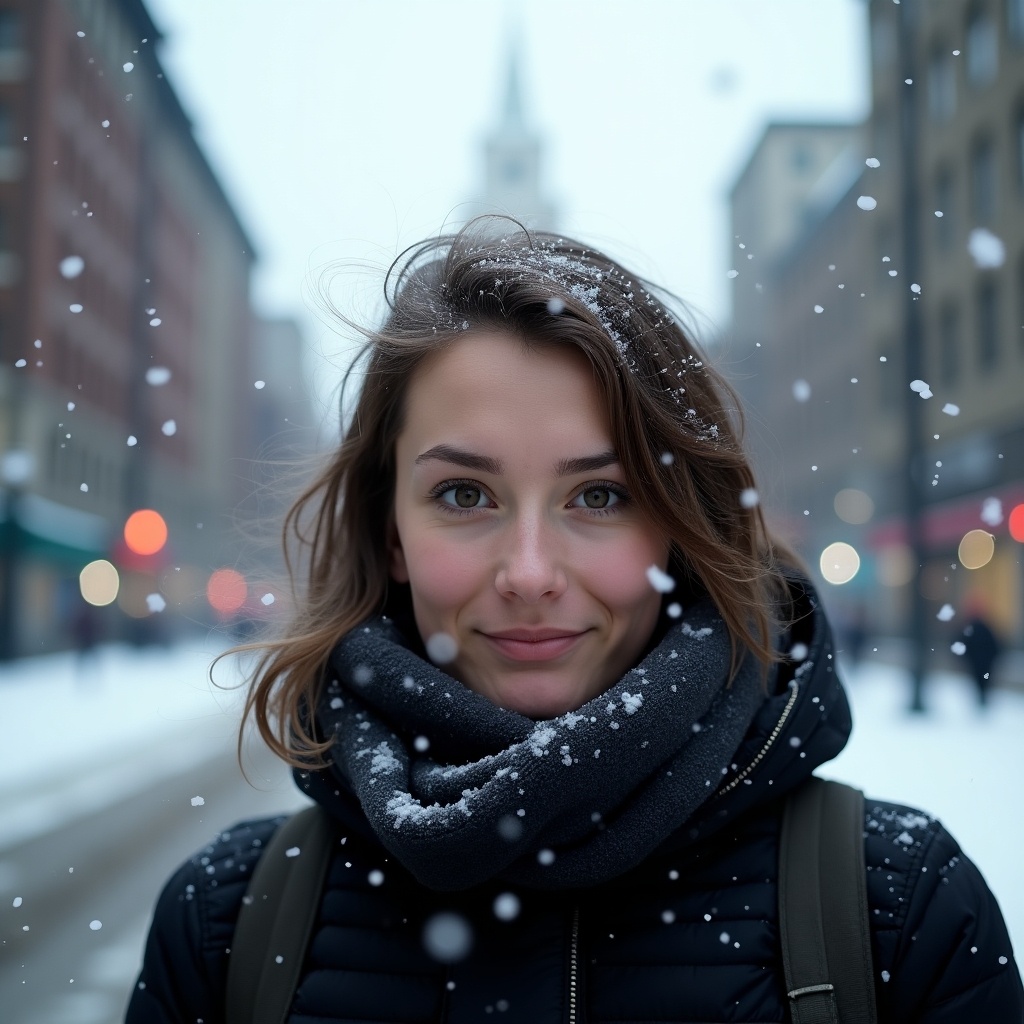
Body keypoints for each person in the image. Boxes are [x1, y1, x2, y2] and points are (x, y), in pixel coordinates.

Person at [126, 220, 1022, 1023]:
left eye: (599, 494)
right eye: (464, 494)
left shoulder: (897, 910)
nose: (527, 573)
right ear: (387, 529)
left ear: (676, 524)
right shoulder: (227, 921)